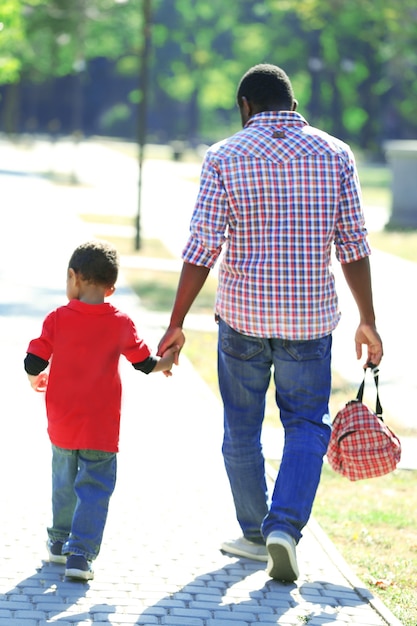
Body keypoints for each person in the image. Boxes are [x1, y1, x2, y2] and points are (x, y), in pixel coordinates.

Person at [157, 63, 383, 582]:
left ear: (245, 106)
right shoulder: (335, 154)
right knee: (306, 424)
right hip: (309, 322)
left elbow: (201, 247)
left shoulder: (224, 156)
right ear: (293, 104)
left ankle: (256, 536)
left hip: (242, 319)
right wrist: (367, 320)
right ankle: (285, 527)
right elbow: (354, 245)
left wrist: (175, 321)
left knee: (241, 426)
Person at [24, 240, 179, 581]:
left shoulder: (57, 319)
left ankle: (58, 543)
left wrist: (37, 377)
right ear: (112, 287)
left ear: (73, 277)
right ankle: (79, 554)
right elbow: (143, 363)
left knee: (63, 483)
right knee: (94, 487)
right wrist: (167, 362)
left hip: (62, 424)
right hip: (101, 429)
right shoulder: (121, 322)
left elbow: (33, 360)